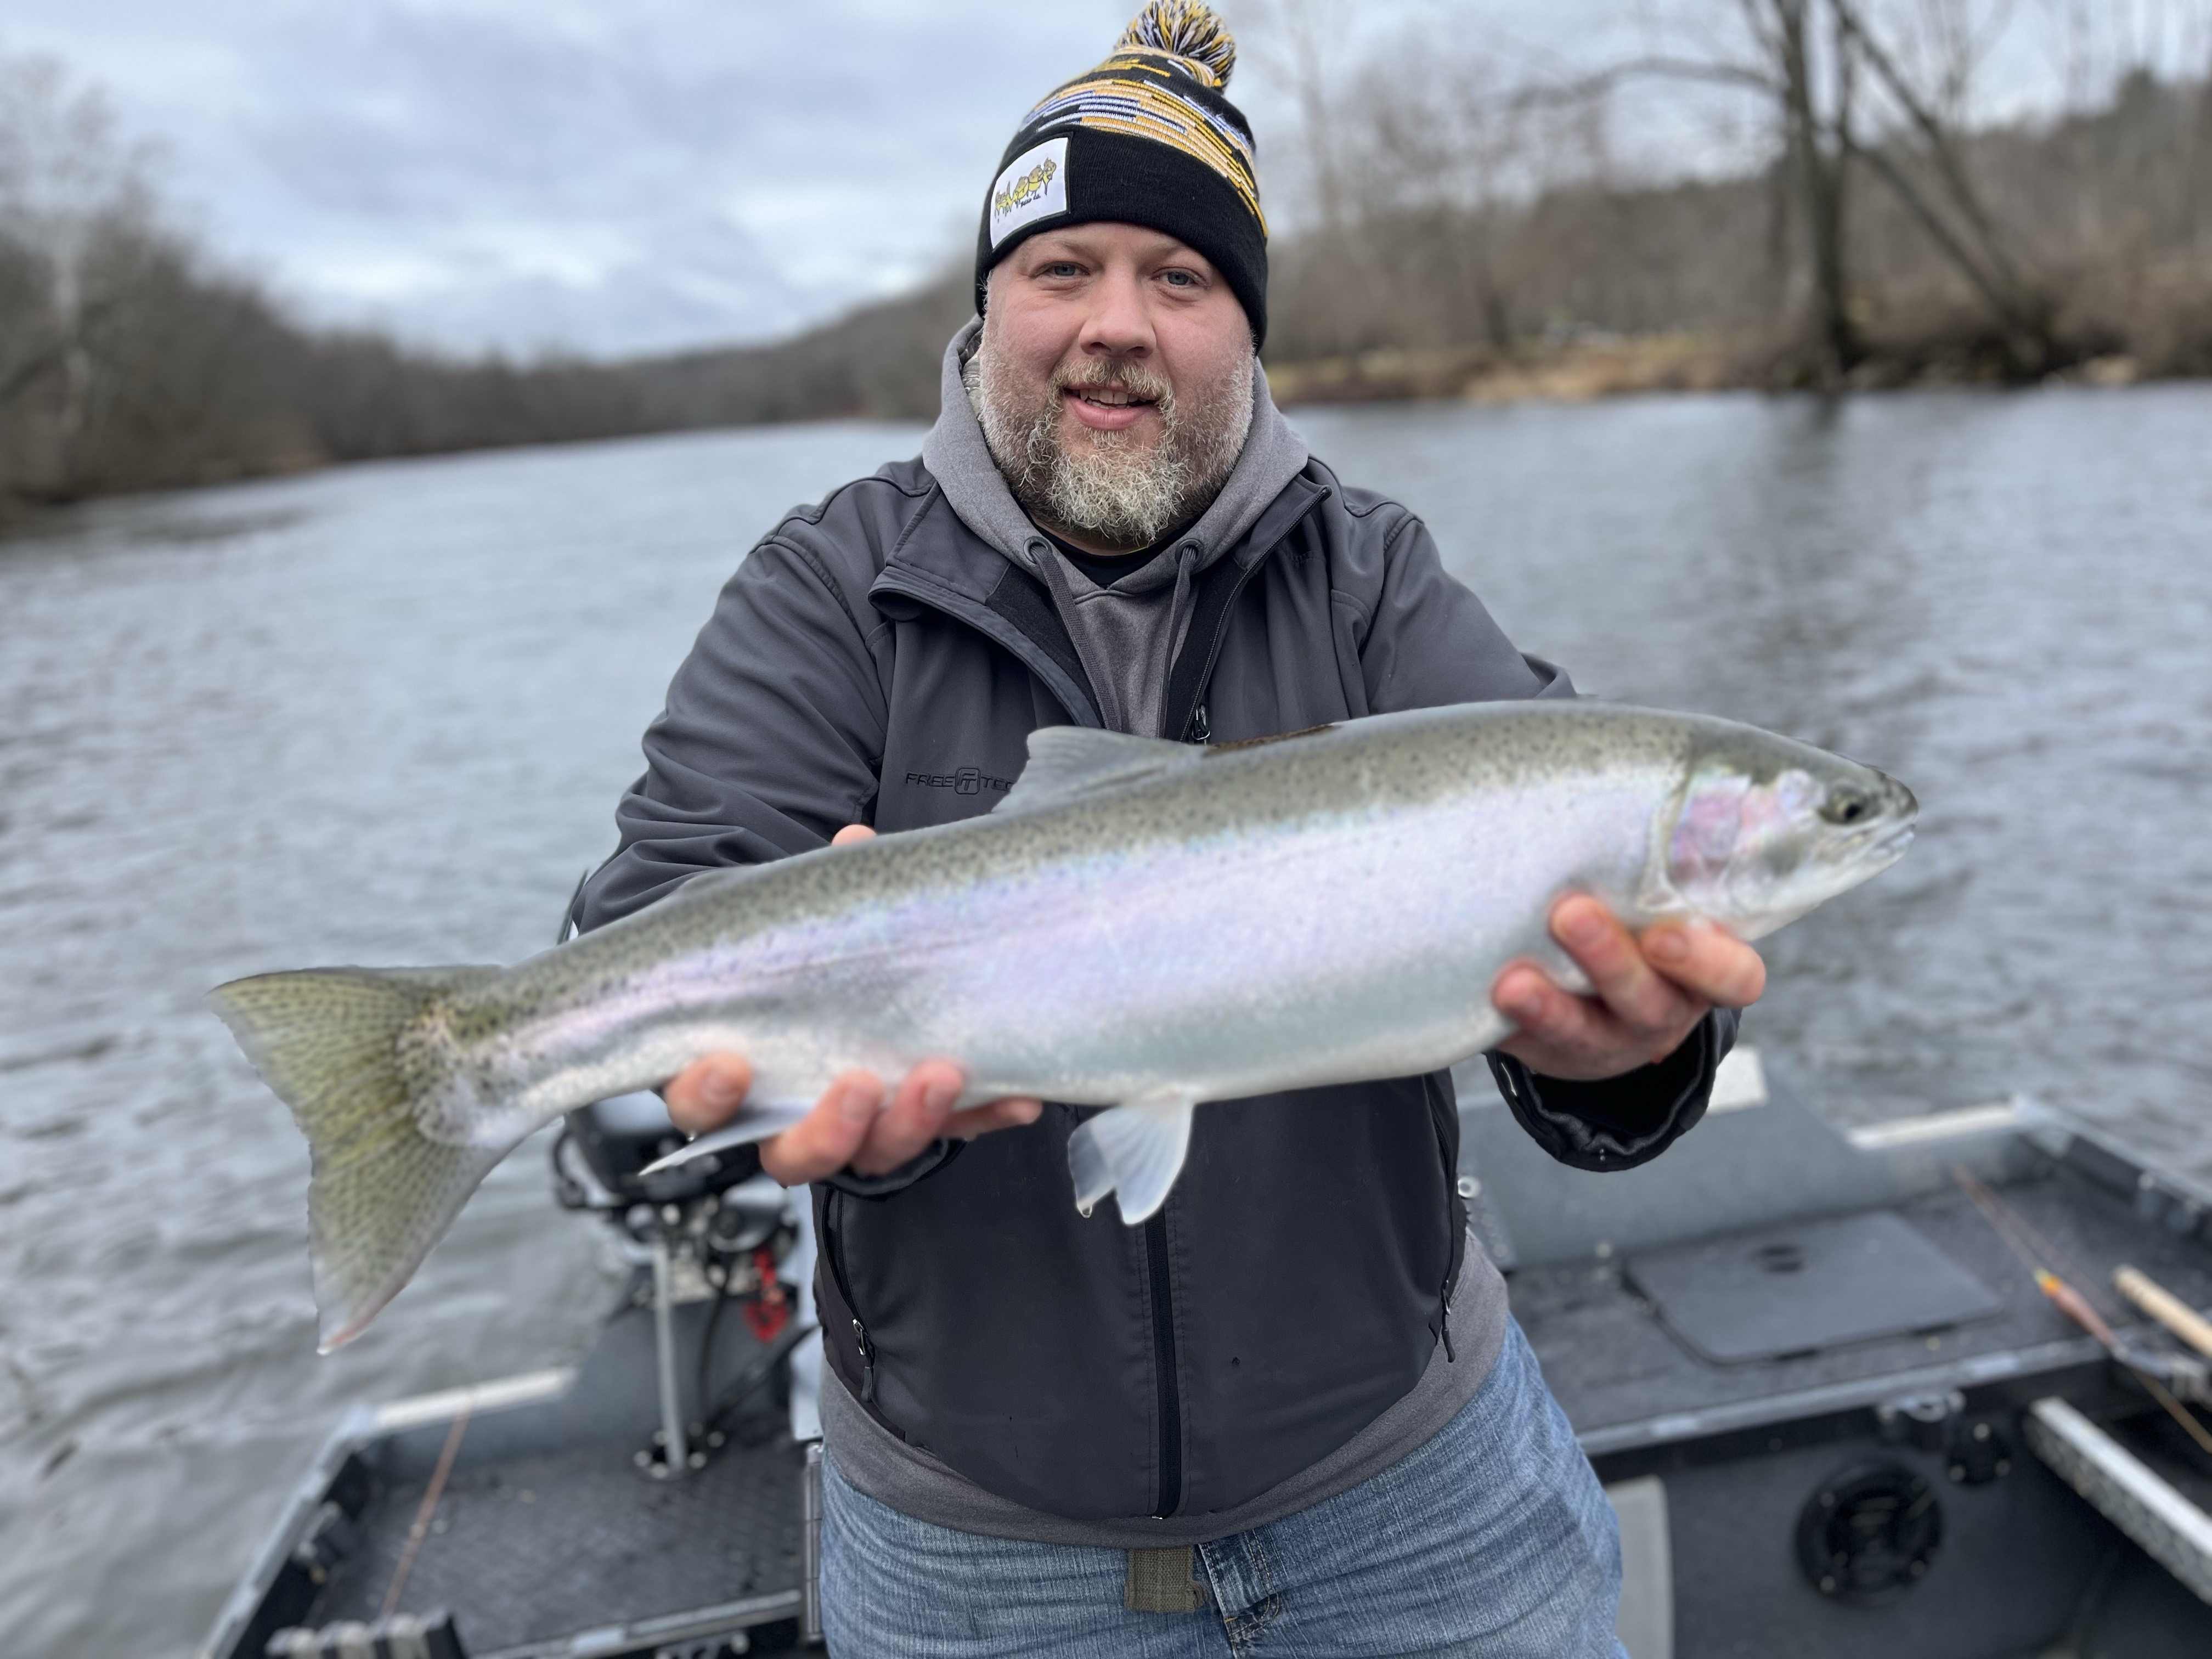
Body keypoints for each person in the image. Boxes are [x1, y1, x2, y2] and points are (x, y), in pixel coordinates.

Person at [573, 6, 1764, 1654]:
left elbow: (1577, 922)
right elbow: (654, 915)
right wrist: (833, 1076)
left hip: (1416, 1495)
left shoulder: (1370, 576)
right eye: (1062, 269)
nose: (1116, 326)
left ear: (1246, 333)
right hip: (971, 1554)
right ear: (988, 310)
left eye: (1180, 277)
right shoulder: (832, 585)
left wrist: (1630, 1055)